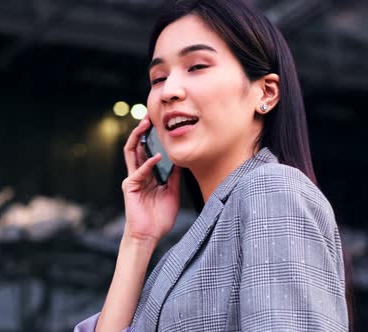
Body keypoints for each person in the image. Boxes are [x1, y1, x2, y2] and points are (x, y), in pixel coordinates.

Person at [75, 0, 349, 331]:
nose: (169, 91)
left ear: (266, 92)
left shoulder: (273, 190)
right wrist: (138, 237)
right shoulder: (203, 236)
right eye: (158, 77)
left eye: (197, 66)